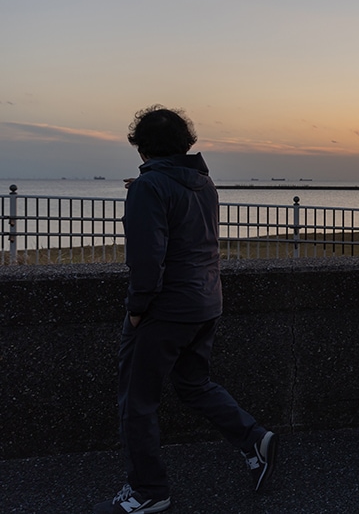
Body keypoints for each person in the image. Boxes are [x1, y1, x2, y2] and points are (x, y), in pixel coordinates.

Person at [94, 106, 277, 514]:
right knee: (194, 384)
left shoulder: (152, 186)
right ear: (185, 144)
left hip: (166, 308)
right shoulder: (202, 182)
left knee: (136, 401)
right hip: (206, 301)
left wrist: (137, 308)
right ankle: (252, 439)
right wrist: (144, 188)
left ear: (141, 147)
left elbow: (147, 259)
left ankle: (148, 491)